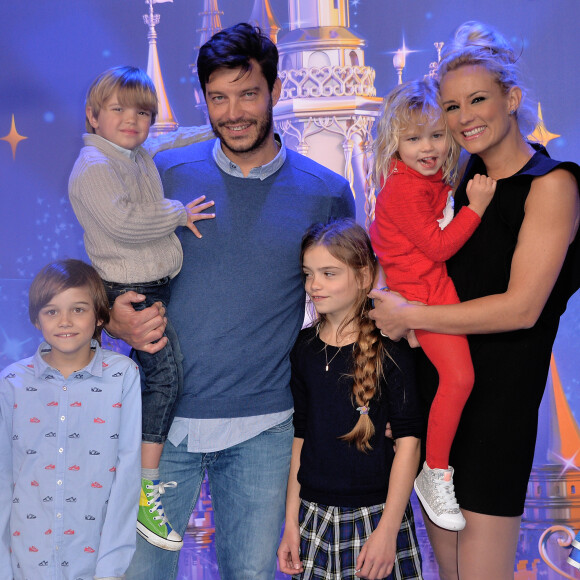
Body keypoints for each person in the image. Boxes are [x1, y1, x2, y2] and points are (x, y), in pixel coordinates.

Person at [102, 24, 355, 580]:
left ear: (276, 91)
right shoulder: (165, 174)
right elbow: (103, 271)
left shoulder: (326, 189)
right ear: (203, 100)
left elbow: (346, 306)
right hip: (156, 427)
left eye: (248, 93)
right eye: (219, 97)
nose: (233, 111)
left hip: (264, 431)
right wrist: (112, 317)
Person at [368, 21, 580, 580]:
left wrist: (409, 316)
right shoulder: (456, 187)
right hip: (437, 399)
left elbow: (521, 309)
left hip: (499, 408)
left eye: (479, 99)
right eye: (451, 105)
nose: (464, 117)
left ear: (512, 100)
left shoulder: (551, 184)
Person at [68, 65, 216, 552]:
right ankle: (141, 491)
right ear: (92, 117)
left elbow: (169, 141)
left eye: (144, 113)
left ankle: (117, 471)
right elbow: (125, 223)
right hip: (132, 289)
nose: (133, 121)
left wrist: (216, 122)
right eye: (119, 110)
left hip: (150, 283)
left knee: (139, 380)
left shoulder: (132, 153)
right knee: (165, 378)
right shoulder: (93, 168)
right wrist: (179, 212)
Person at [368, 79, 496, 532]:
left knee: (454, 380)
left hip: (426, 290)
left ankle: (434, 468)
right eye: (414, 138)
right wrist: (476, 207)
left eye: (437, 135)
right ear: (393, 143)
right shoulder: (403, 189)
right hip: (423, 295)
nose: (429, 147)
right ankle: (435, 471)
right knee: (460, 377)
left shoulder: (428, 179)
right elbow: (439, 247)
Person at [277, 220, 423, 580]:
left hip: (377, 518)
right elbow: (301, 438)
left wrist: (389, 530)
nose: (314, 285)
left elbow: (409, 442)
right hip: (313, 517)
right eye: (308, 274)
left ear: (363, 275)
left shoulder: (392, 347)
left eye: (329, 273)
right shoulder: (303, 348)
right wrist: (291, 523)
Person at [0, 259, 142, 580]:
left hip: (93, 559)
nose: (65, 321)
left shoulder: (122, 375)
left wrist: (111, 568)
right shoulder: (11, 382)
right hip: (26, 561)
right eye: (51, 311)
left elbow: (128, 474)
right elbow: (2, 476)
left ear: (100, 316)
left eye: (78, 309)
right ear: (36, 319)